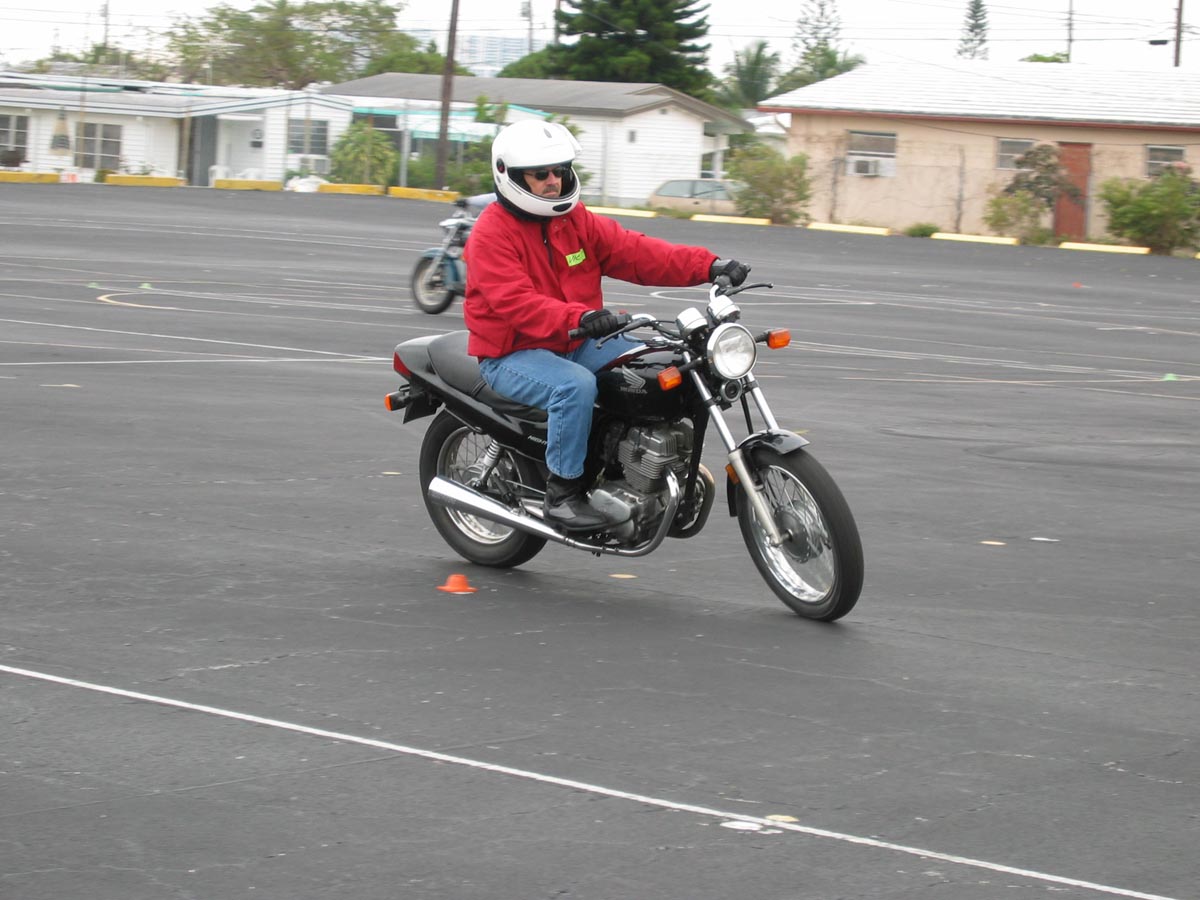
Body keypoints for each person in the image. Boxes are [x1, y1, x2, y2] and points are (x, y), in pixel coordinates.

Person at [463, 119, 750, 532]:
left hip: (576, 340)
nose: (553, 181)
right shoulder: (491, 234)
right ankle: (562, 494)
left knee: (655, 367)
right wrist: (579, 317)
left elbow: (635, 252)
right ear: (509, 174)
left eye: (560, 171)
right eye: (540, 174)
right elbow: (515, 302)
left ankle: (636, 467)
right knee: (573, 386)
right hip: (513, 351)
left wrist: (708, 265)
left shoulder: (574, 220)